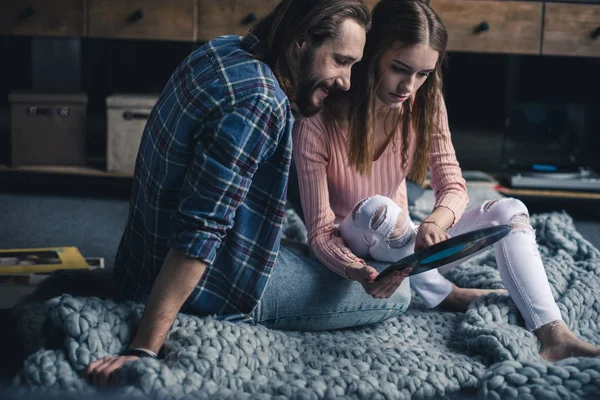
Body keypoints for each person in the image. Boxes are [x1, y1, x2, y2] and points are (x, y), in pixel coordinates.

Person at [292, 0, 600, 362]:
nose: (409, 85)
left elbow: (452, 184)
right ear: (371, 54)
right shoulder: (316, 122)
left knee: (510, 210)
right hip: (357, 249)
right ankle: (444, 292)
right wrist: (358, 272)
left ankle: (554, 334)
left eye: (423, 74)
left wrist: (435, 223)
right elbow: (320, 231)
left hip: (406, 247)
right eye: (399, 68)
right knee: (380, 209)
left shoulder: (425, 102)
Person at [86, 0, 371, 385]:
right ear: (301, 41)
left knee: (318, 251)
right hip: (201, 293)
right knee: (398, 290)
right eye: (341, 61)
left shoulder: (224, 49)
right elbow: (199, 233)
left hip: (136, 265)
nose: (347, 81)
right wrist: (143, 348)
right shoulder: (260, 101)